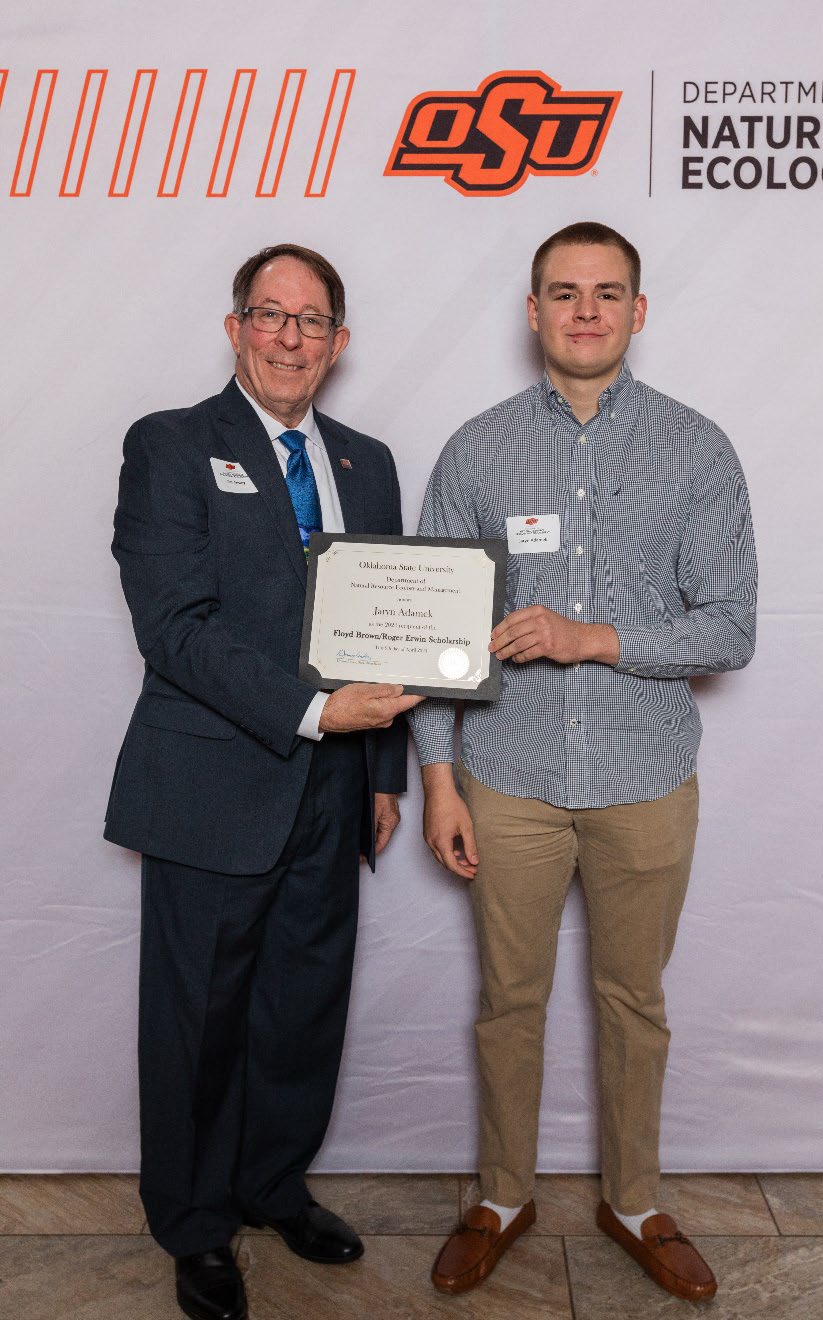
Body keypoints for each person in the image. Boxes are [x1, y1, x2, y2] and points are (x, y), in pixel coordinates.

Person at [409, 222, 756, 1303]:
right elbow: (434, 634)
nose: (586, 311)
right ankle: (501, 1197)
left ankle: (634, 1201)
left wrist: (591, 637)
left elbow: (730, 629)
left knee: (632, 1000)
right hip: (505, 778)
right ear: (533, 312)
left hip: (644, 778)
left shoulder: (696, 448)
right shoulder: (476, 449)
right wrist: (437, 780)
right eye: (564, 292)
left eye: (607, 293)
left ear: (637, 311)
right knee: (507, 1001)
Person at [105, 243, 420, 1320]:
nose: (291, 337)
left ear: (340, 340)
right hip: (213, 782)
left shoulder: (369, 463)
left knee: (303, 1006)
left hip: (336, 786)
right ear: (236, 327)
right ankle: (195, 1224)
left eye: (312, 319)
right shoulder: (171, 444)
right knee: (198, 1018)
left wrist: (382, 772)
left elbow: (389, 631)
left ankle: (272, 1186)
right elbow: (174, 628)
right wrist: (316, 711)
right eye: (270, 314)